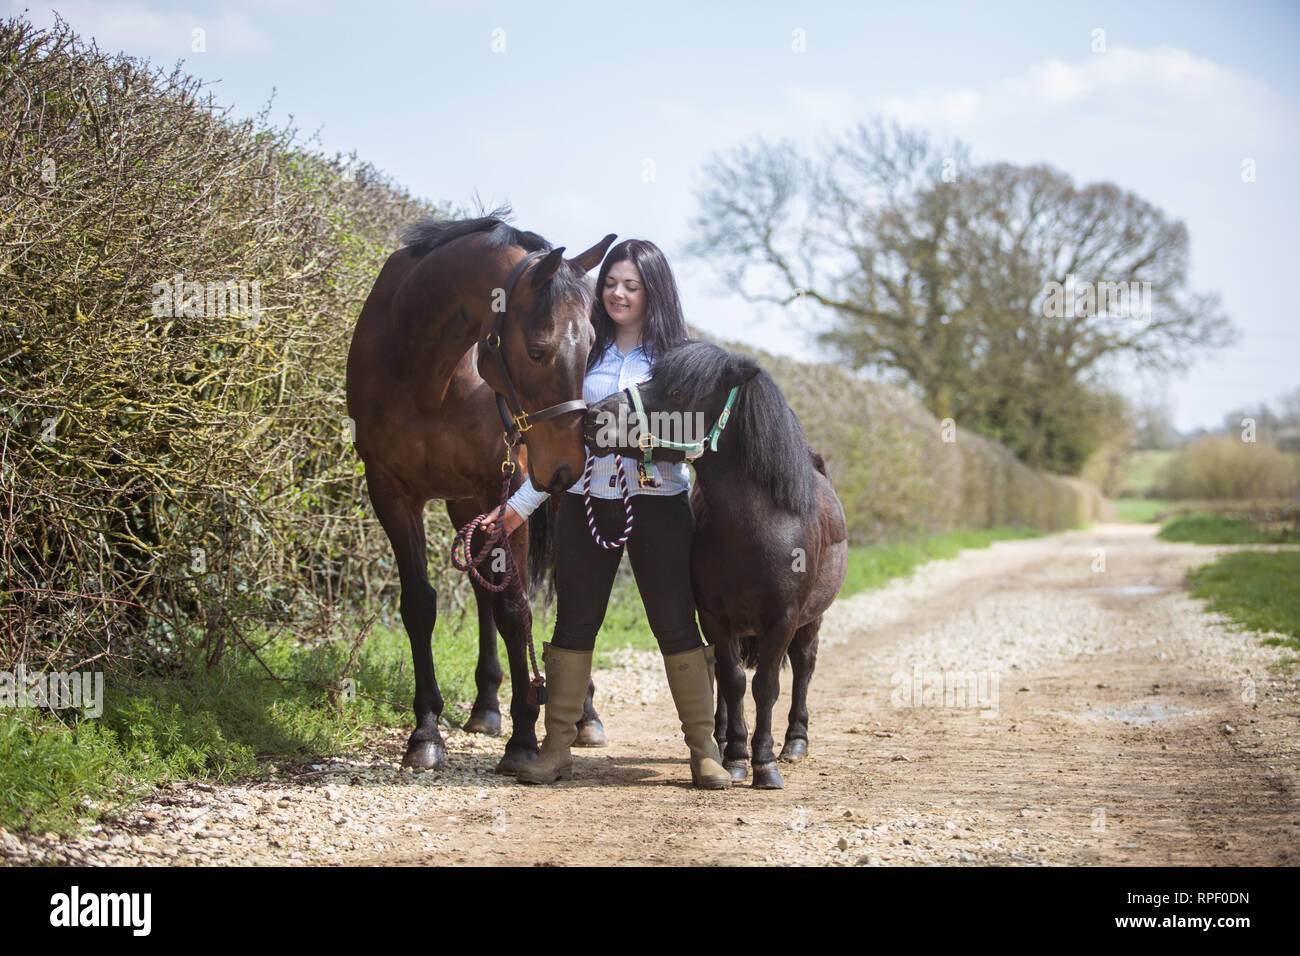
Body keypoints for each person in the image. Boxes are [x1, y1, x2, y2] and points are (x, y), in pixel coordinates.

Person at [482, 239, 730, 789]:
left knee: (675, 624)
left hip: (660, 506)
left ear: (653, 292)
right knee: (574, 622)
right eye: (611, 283)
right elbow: (560, 451)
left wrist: (625, 433)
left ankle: (703, 748)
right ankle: (556, 748)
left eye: (631, 285)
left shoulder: (678, 360)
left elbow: (697, 440)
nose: (617, 293)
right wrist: (514, 512)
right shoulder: (585, 354)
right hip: (587, 503)